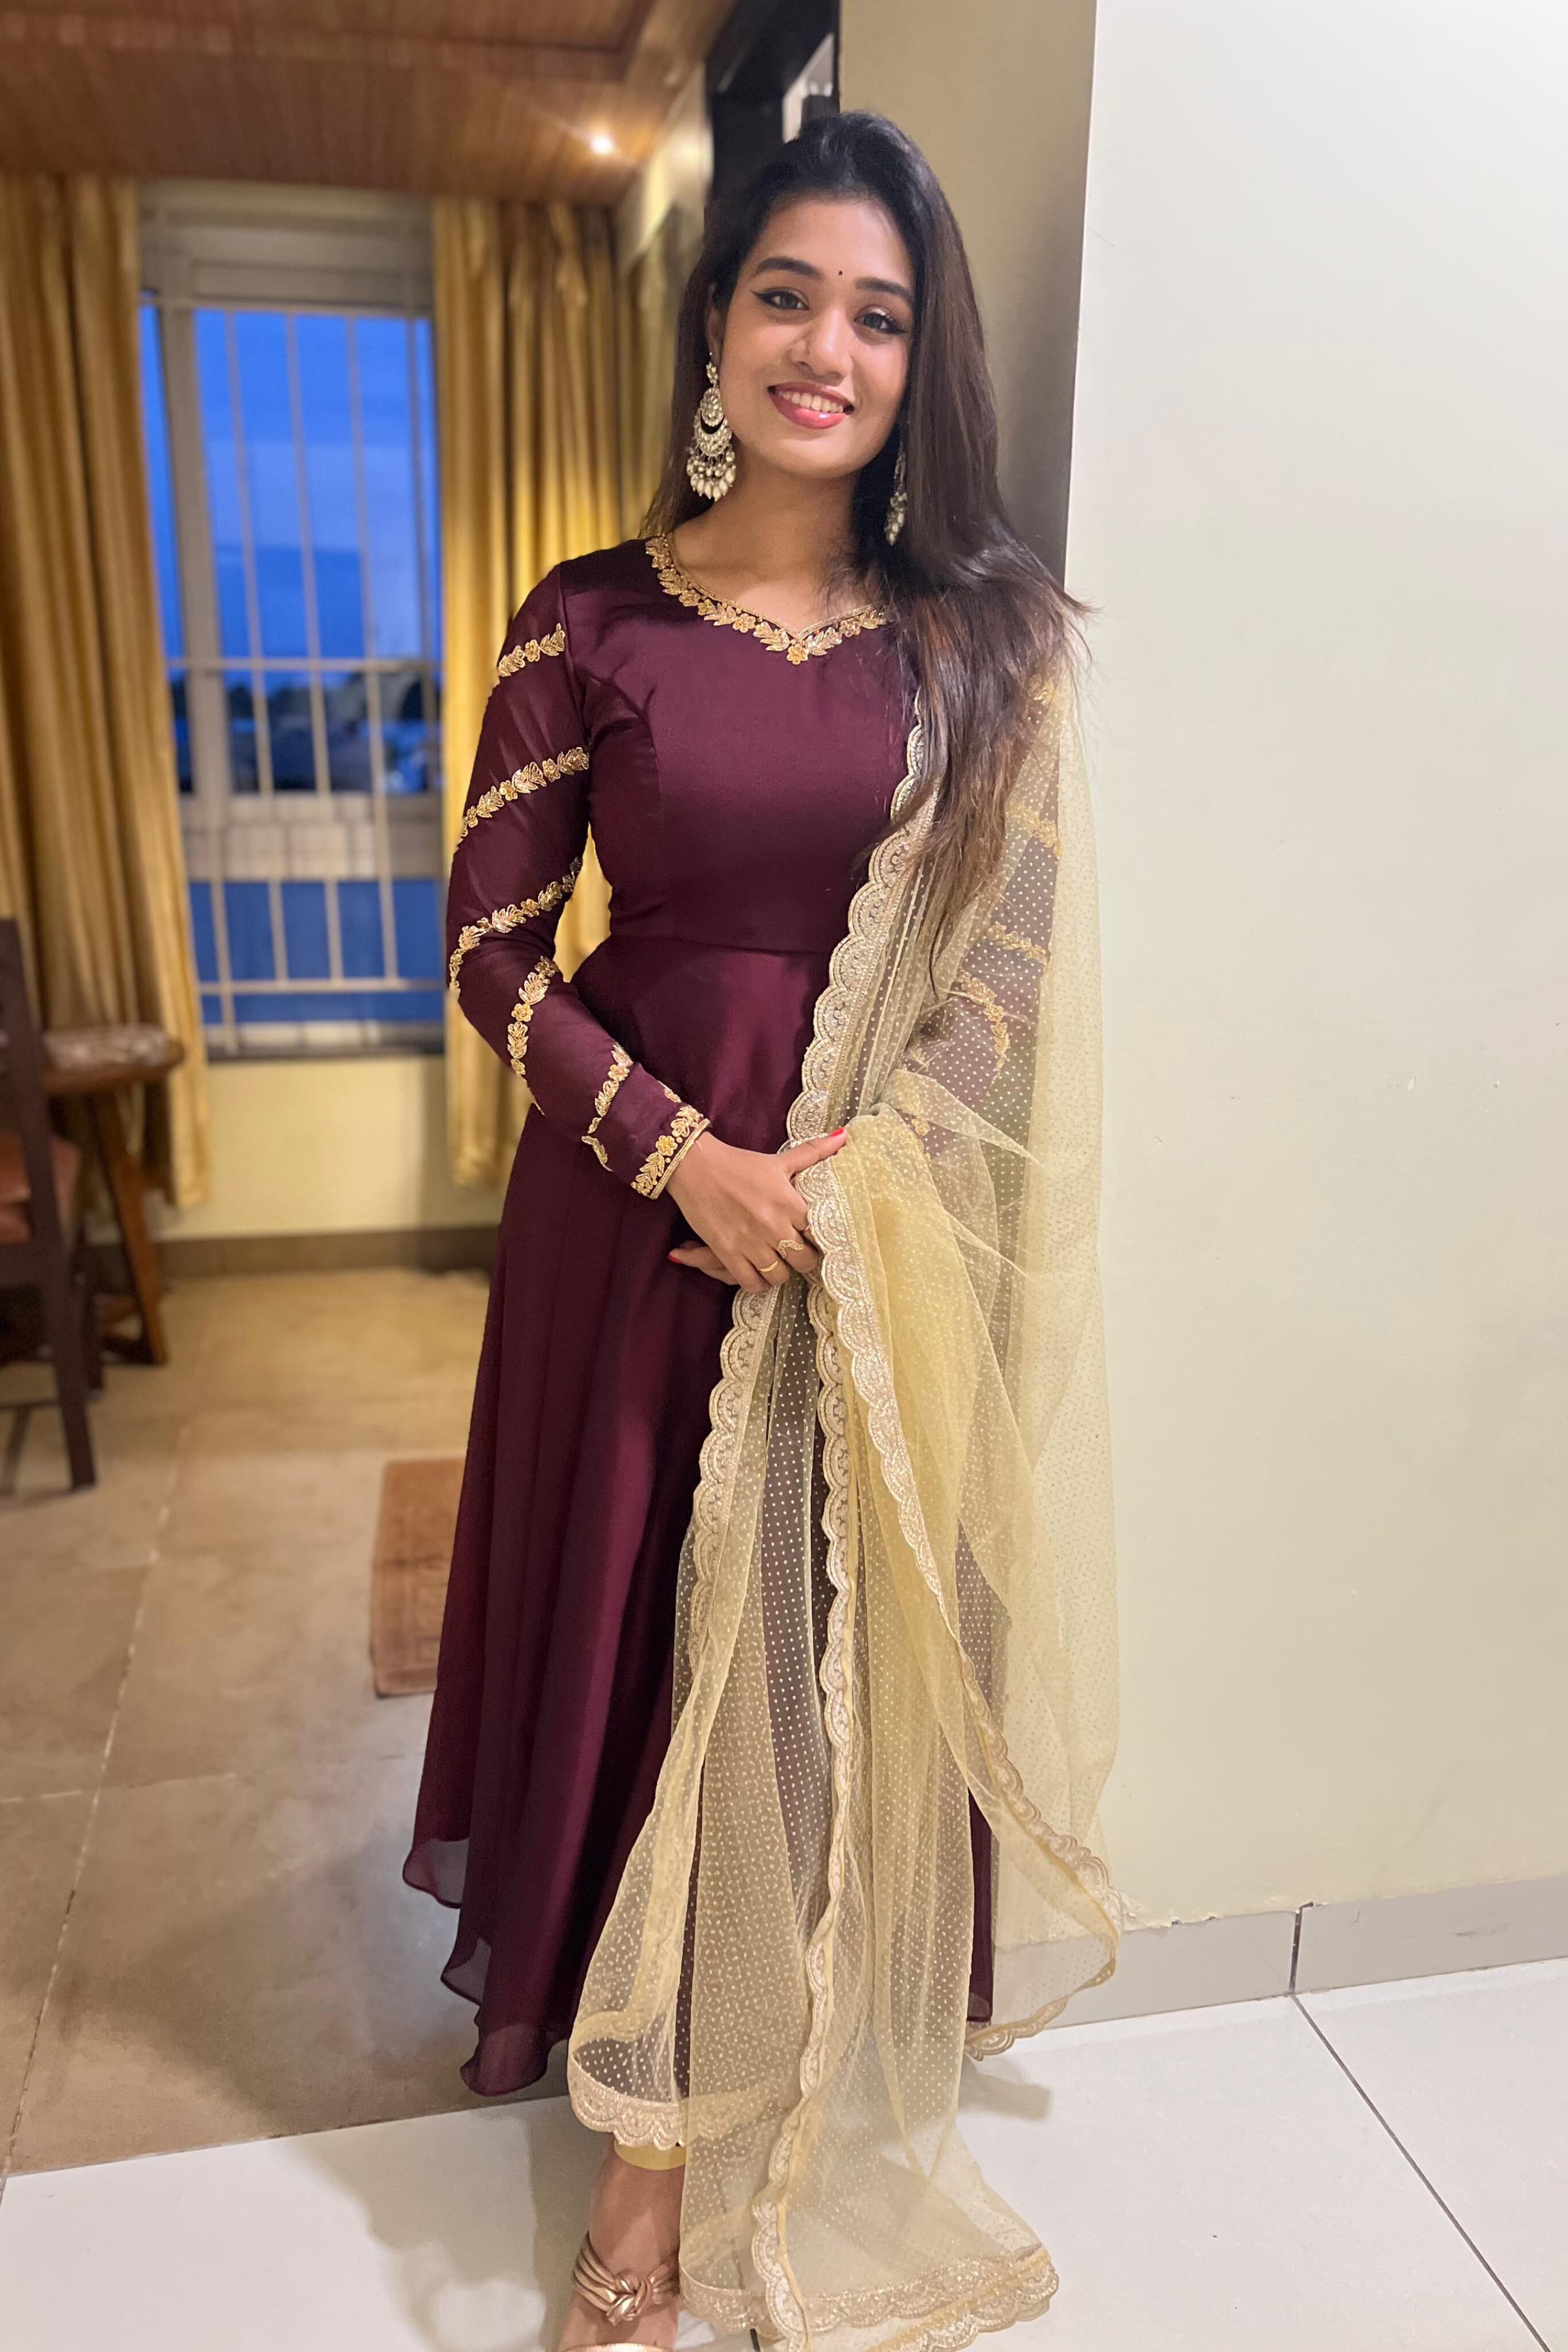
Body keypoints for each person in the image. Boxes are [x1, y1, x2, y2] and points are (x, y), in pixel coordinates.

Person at [406, 111, 1121, 2352]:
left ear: (920, 364)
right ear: (716, 327)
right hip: (637, 1231)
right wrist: (679, 1158)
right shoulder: (590, 620)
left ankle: (771, 2051)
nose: (827, 349)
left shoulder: (975, 649)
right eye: (787, 297)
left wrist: (858, 1175)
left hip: (864, 1238)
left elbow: (1006, 968)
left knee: (818, 1655)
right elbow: (493, 956)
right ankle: (642, 2162)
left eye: (876, 317)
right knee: (649, 1635)